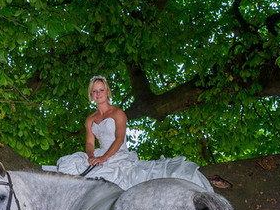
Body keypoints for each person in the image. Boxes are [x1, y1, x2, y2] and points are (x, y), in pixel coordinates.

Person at [43, 76, 213, 192]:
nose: (98, 94)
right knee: (71, 167)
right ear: (91, 95)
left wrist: (103, 159)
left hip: (117, 153)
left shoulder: (118, 113)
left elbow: (119, 139)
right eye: (95, 91)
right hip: (99, 153)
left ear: (107, 92)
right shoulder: (90, 119)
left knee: (116, 177)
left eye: (101, 90)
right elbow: (89, 143)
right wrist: (90, 156)